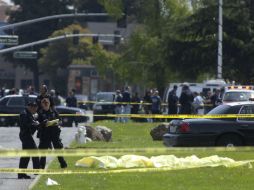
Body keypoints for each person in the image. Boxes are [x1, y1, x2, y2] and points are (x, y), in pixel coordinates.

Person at [38, 98, 67, 169]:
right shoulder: (40, 113)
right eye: (44, 103)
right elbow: (38, 123)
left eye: (47, 103)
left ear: (49, 103)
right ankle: (41, 167)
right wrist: (44, 123)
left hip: (54, 133)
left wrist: (58, 123)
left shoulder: (54, 111)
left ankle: (63, 164)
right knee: (43, 152)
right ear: (42, 104)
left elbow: (60, 120)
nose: (45, 104)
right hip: (45, 134)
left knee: (58, 149)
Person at [18, 101, 40, 179]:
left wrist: (37, 123)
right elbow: (25, 124)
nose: (35, 111)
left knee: (25, 156)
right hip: (25, 135)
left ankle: (21, 174)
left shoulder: (29, 113)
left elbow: (31, 123)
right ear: (31, 107)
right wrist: (34, 123)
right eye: (34, 109)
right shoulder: (24, 114)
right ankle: (37, 171)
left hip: (27, 135)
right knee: (35, 151)